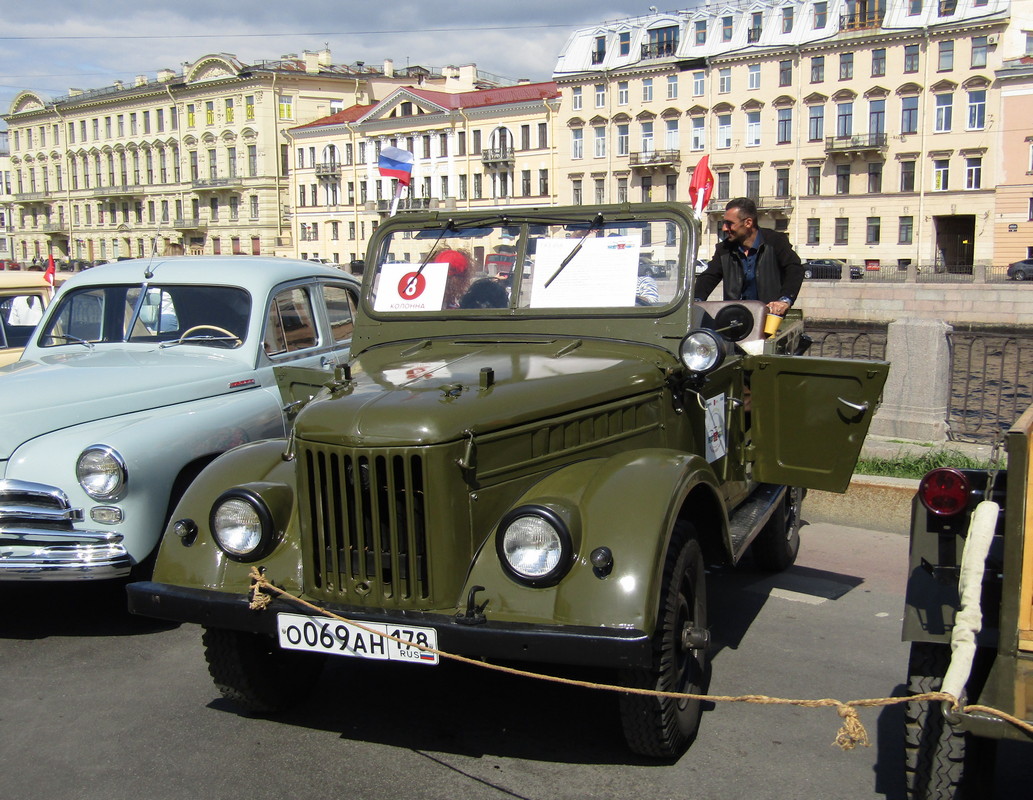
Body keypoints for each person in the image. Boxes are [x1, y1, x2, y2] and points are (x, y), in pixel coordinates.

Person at [693, 197, 803, 317]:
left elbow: (795, 269)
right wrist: (695, 300)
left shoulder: (775, 242)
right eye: (724, 223)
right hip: (735, 319)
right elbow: (709, 276)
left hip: (768, 318)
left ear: (748, 223)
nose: (724, 228)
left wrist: (784, 300)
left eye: (729, 223)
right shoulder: (724, 249)